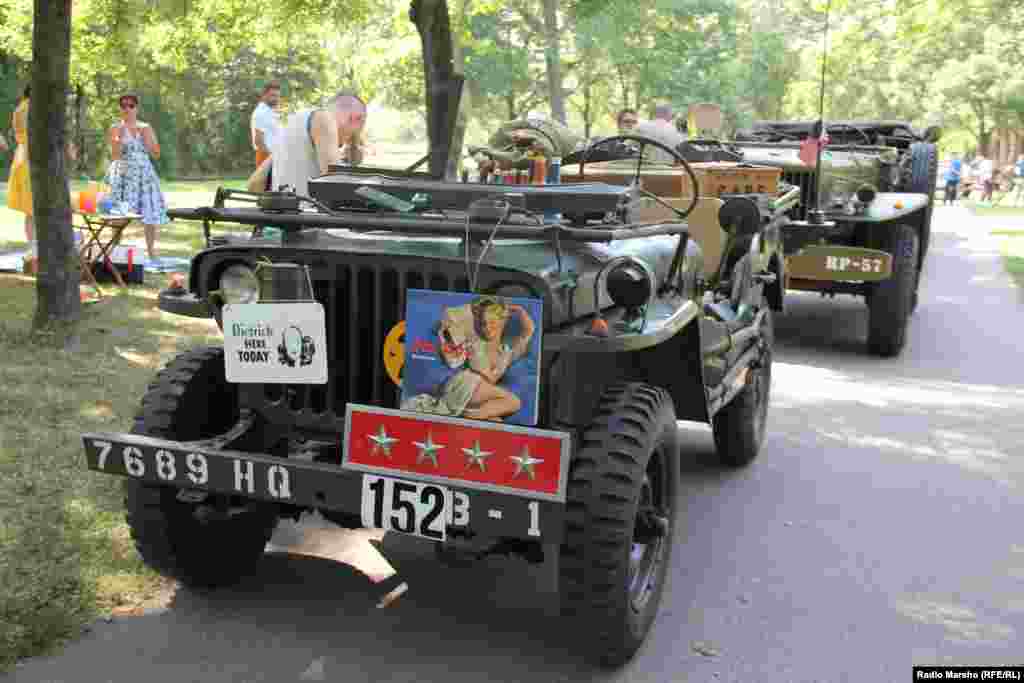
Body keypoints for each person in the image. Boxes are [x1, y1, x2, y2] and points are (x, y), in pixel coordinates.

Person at [401, 296, 536, 422]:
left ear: (502, 322)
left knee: (496, 420)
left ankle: (468, 416)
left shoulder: (507, 352)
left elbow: (528, 330)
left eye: (492, 323)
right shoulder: (473, 343)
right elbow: (449, 314)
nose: (487, 328)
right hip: (465, 383)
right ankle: (470, 416)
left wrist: (519, 309)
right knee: (513, 402)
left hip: (479, 392)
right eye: (483, 324)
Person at [246, 92, 367, 196]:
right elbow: (335, 182)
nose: (343, 143)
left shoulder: (292, 123)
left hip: (280, 218)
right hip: (308, 218)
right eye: (351, 136)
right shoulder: (324, 118)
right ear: (356, 118)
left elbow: (254, 184)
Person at [106, 93, 169, 262]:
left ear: (136, 108)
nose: (127, 108)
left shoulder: (145, 127)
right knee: (119, 214)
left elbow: (156, 153)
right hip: (123, 175)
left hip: (144, 174)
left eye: (131, 105)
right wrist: (118, 138)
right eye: (123, 105)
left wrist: (147, 140)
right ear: (120, 108)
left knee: (149, 211)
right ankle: (115, 249)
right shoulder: (115, 128)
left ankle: (151, 251)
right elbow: (114, 156)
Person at [470, 113, 583, 179]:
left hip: (544, 142)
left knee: (538, 152)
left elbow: (544, 153)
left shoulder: (540, 147)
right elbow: (477, 150)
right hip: (534, 140)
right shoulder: (504, 135)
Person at [7, 86, 34, 249]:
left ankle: (33, 247)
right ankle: (36, 249)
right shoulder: (31, 108)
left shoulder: (19, 108)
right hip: (31, 156)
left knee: (29, 210)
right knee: (33, 207)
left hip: (22, 155)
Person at [251, 82, 281, 167]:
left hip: (276, 157)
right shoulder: (260, 113)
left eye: (278, 96)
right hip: (265, 157)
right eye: (273, 96)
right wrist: (272, 158)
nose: (276, 99)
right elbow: (259, 141)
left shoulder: (272, 112)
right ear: (264, 96)